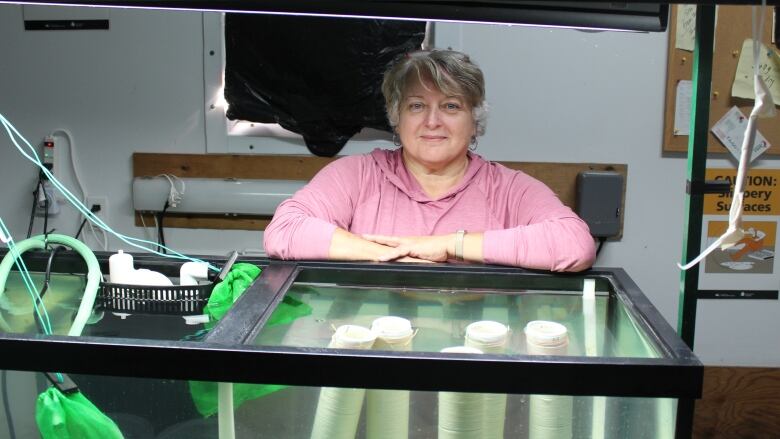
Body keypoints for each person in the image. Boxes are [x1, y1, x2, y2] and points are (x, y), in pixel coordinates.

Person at [264, 49, 595, 272]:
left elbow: (574, 245)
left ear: (475, 119)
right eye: (417, 106)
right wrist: (389, 253)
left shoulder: (509, 188)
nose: (432, 121)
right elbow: (284, 231)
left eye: (451, 106)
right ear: (397, 117)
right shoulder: (357, 174)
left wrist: (448, 245)